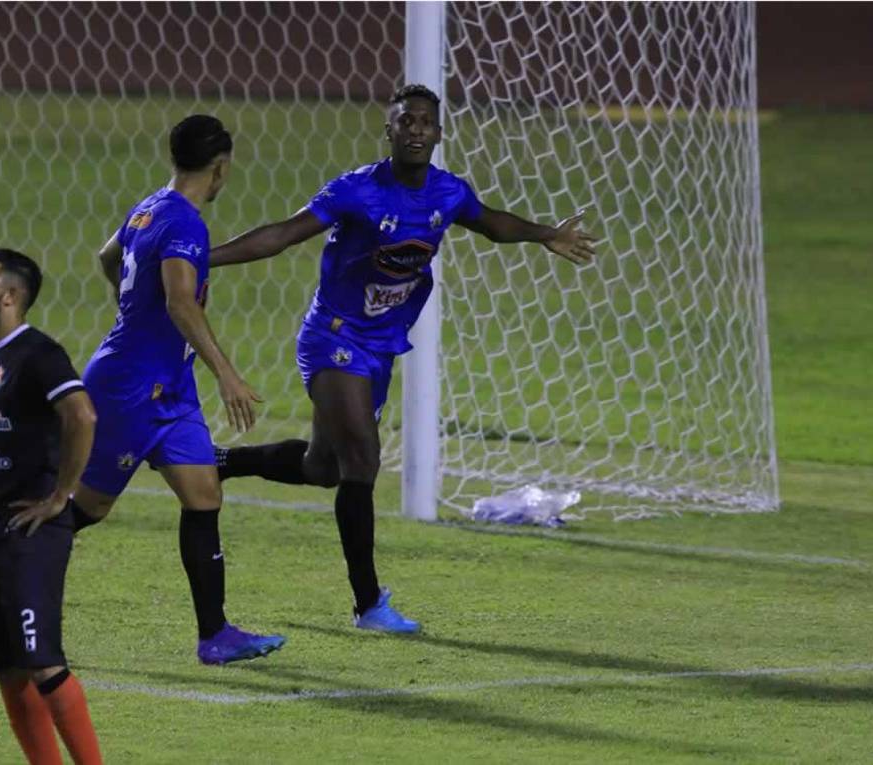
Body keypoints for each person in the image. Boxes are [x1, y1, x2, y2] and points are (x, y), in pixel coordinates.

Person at [209, 84, 597, 634]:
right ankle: (369, 605)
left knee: (324, 469)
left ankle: (221, 462)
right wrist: (205, 258)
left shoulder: (448, 193)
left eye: (425, 123)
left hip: (381, 345)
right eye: (405, 121)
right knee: (363, 461)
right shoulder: (357, 191)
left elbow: (490, 222)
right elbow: (283, 235)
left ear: (438, 134)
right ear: (388, 131)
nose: (416, 130)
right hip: (333, 336)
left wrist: (545, 236)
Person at [67, 115, 286, 665]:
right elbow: (180, 301)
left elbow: (106, 258)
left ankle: (214, 635)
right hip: (130, 386)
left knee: (205, 495)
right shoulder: (186, 223)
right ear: (221, 167)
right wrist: (228, 375)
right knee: (87, 510)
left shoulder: (148, 207)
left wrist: (130, 307)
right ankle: (10, 564)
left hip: (170, 385)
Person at [0, 248, 102, 765]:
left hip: (29, 530)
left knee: (44, 663)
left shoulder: (39, 354)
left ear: (10, 296)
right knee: (8, 669)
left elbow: (81, 416)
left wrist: (61, 495)